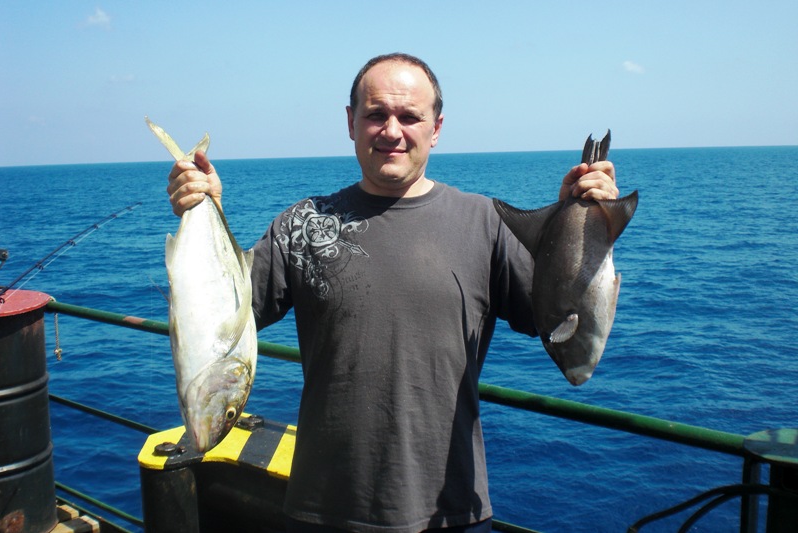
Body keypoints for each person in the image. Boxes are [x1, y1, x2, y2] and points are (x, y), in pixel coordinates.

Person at [167, 53, 618, 533]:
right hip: (322, 509)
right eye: (376, 114)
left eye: (409, 116)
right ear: (351, 122)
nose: (391, 130)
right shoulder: (301, 224)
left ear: (436, 128)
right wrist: (207, 207)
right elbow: (225, 317)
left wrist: (583, 229)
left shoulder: (486, 224)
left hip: (450, 511)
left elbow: (559, 324)